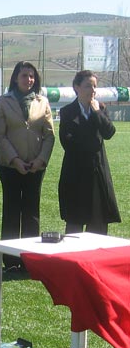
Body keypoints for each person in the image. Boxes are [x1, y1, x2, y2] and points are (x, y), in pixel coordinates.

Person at [0, 61, 55, 271]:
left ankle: (30, 260)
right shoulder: (3, 101)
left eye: (31, 76)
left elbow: (49, 136)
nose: (28, 79)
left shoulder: (42, 101)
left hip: (35, 167)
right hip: (10, 167)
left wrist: (40, 161)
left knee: (31, 213)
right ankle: (10, 260)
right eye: (24, 75)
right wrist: (15, 160)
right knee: (11, 212)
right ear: (15, 78)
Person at [58, 70, 120, 234]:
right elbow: (68, 142)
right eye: (87, 86)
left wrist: (96, 113)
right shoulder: (67, 112)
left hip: (97, 173)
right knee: (74, 226)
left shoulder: (100, 109)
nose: (92, 90)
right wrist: (91, 141)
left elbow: (109, 133)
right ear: (76, 87)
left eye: (94, 86)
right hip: (75, 175)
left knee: (98, 225)